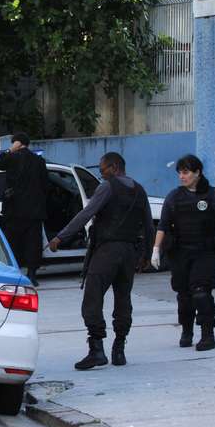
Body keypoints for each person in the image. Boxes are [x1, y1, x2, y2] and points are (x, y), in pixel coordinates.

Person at [48, 152, 154, 370]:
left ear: (114, 167)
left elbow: (86, 214)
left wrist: (61, 237)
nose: (101, 172)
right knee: (123, 299)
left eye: (102, 168)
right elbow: (148, 225)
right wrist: (146, 255)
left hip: (107, 251)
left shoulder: (107, 187)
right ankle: (119, 349)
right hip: (129, 253)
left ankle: (96, 349)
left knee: (92, 298)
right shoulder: (139, 190)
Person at [151, 154, 215, 351]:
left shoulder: (213, 196)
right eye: (179, 173)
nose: (181, 177)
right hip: (180, 252)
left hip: (205, 251)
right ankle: (187, 331)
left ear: (197, 173)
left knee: (201, 291)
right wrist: (156, 249)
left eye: (186, 172)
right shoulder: (174, 197)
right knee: (184, 295)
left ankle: (208, 335)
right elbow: (163, 226)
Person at [0, 132, 49, 286]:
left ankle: (15, 273)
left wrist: (10, 150)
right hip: (34, 211)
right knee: (33, 243)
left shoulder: (11, 157)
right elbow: (46, 184)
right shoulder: (39, 161)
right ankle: (32, 274)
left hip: (14, 209)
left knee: (13, 242)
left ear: (16, 143)